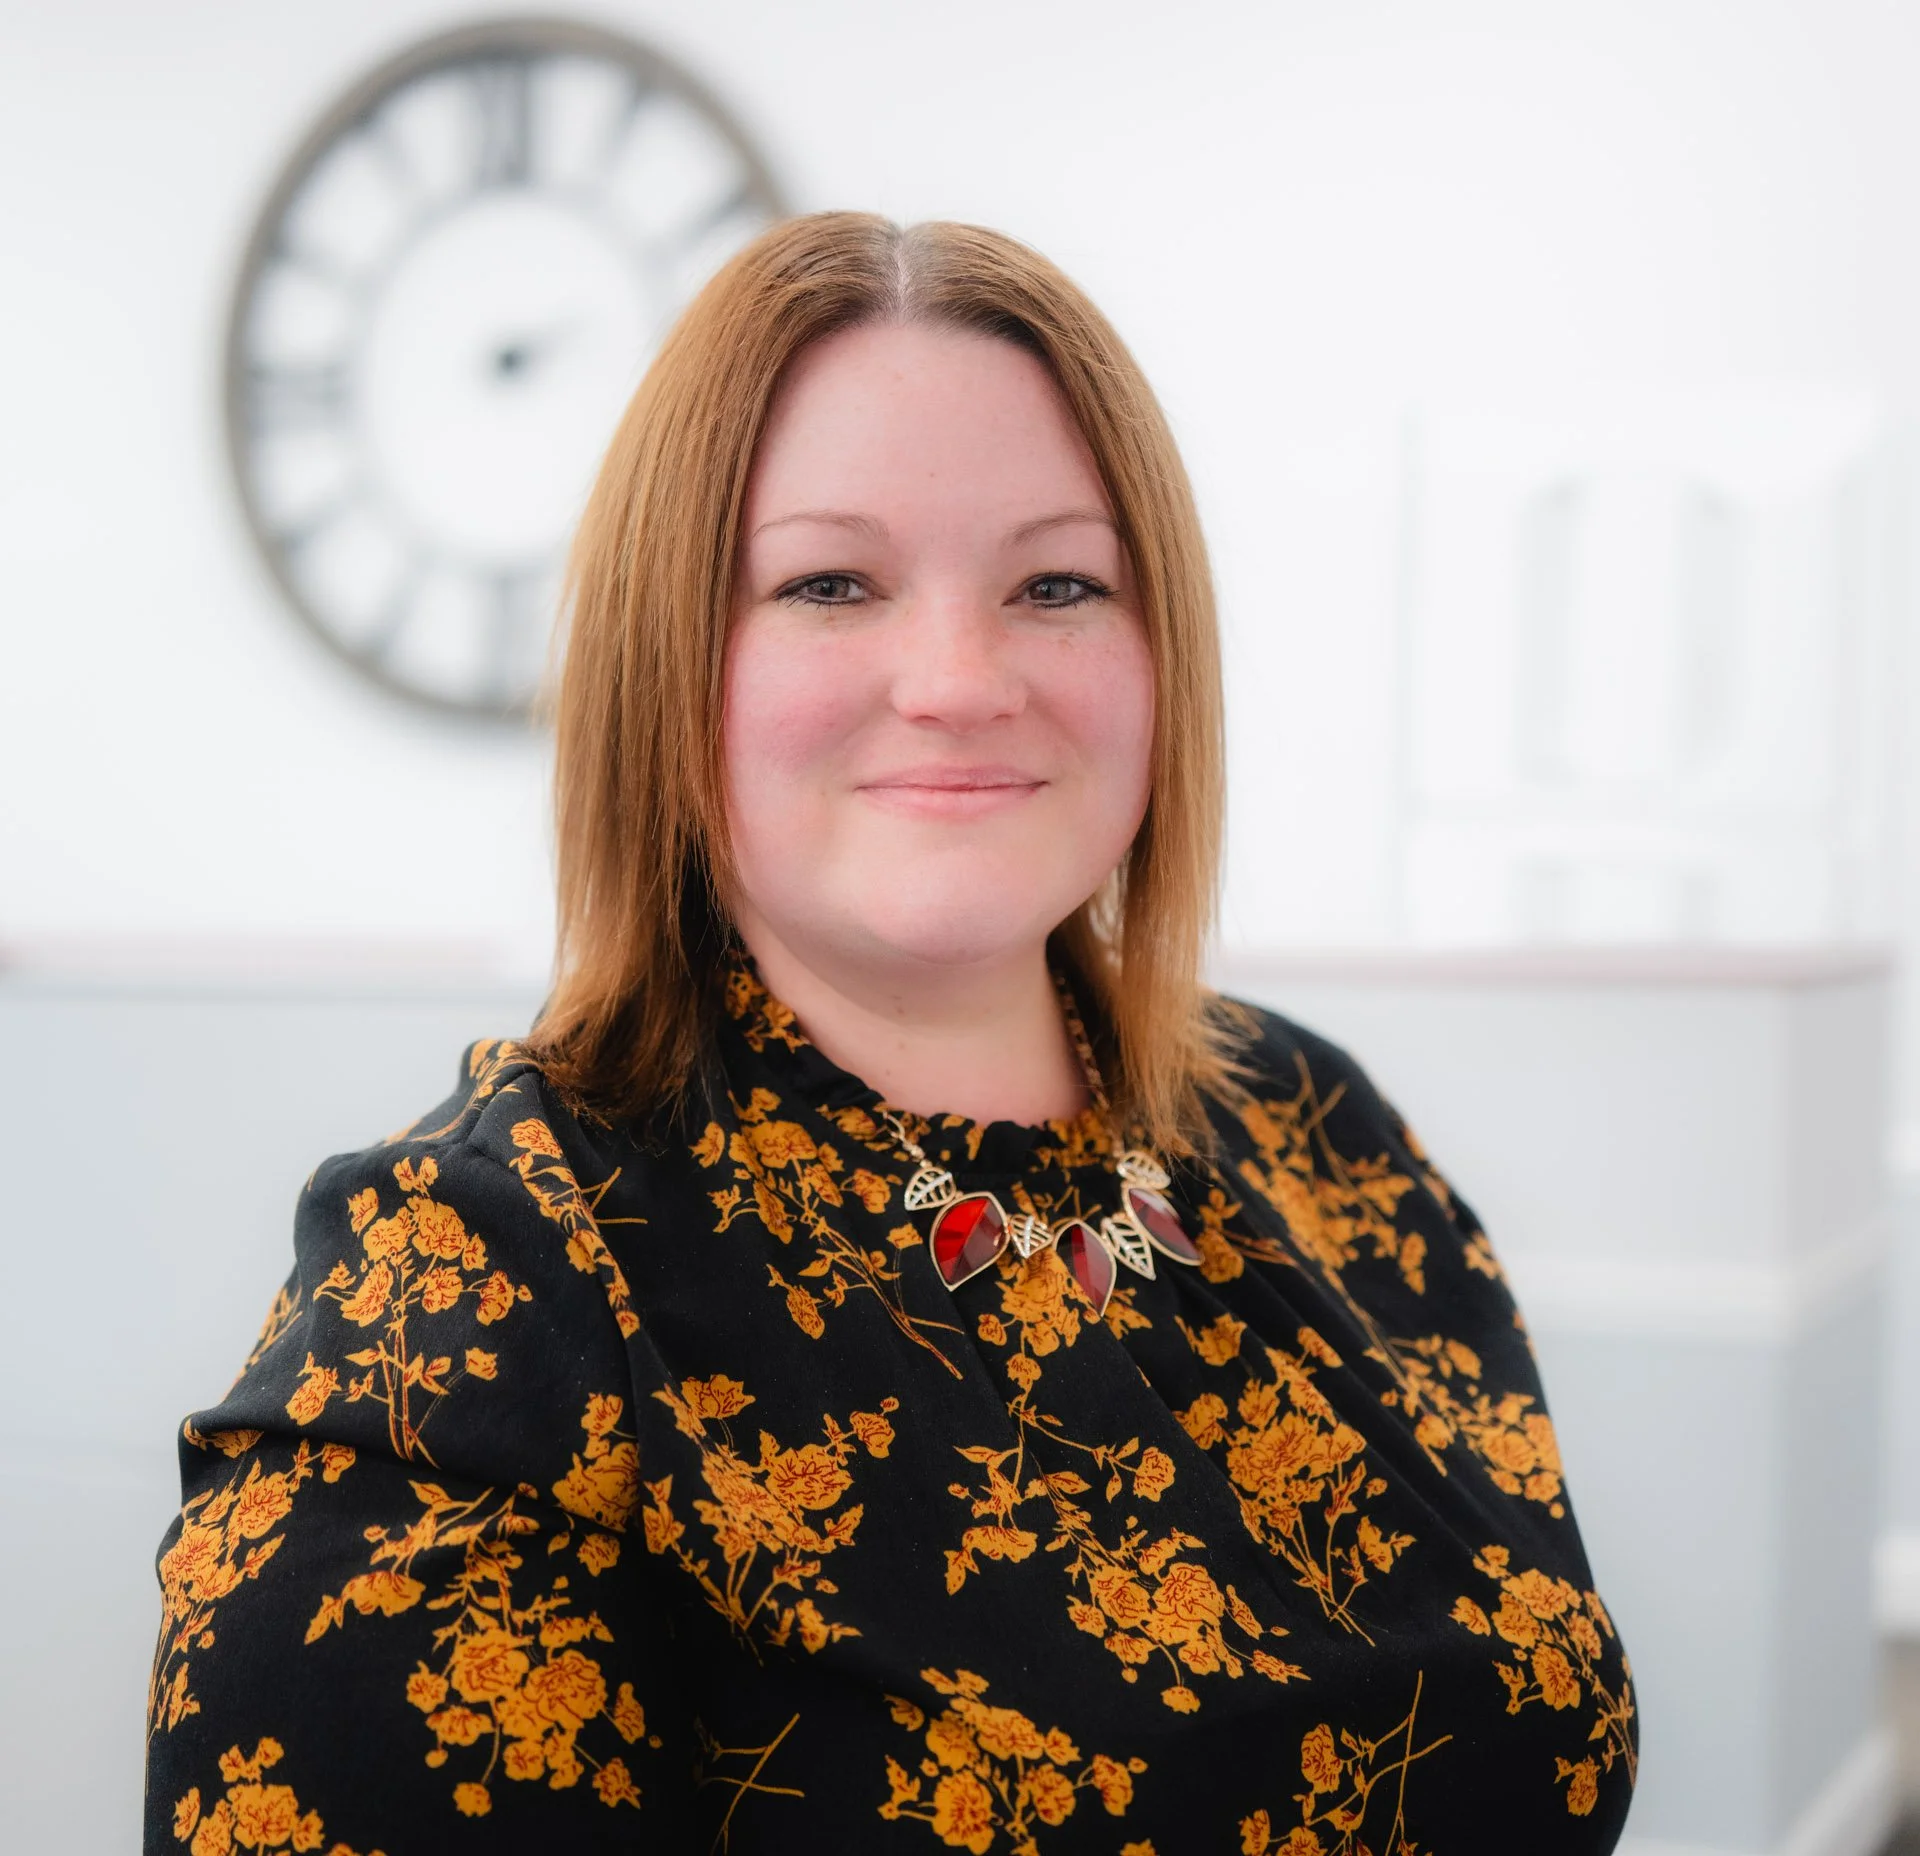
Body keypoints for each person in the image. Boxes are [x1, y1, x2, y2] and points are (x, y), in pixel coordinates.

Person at [145, 213, 1635, 1854]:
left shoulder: (1304, 1121)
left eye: (1058, 581)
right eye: (830, 582)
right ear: (668, 660)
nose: (958, 677)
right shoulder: (477, 1291)